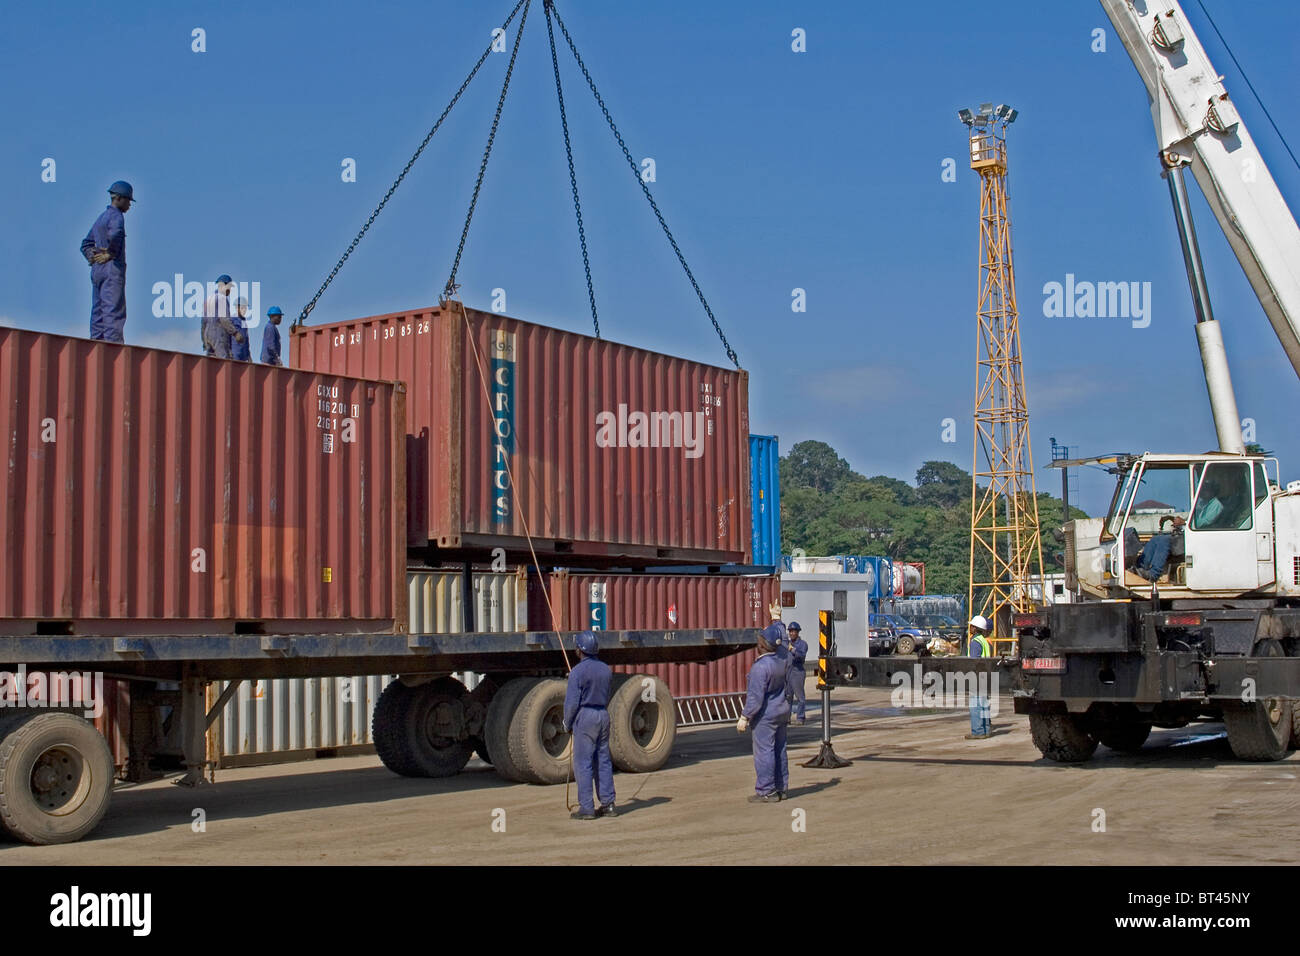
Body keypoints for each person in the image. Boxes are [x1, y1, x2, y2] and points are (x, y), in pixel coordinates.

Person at [562, 631, 616, 821]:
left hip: (585, 717)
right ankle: (608, 805)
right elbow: (608, 693)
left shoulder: (577, 672)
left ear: (580, 650)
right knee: (603, 760)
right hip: (603, 714)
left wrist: (567, 723)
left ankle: (587, 808)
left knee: (583, 763)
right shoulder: (606, 670)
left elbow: (571, 703)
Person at [737, 623, 791, 803]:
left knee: (765, 752)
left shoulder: (760, 668)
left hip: (766, 716)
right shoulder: (782, 658)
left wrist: (745, 717)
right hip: (782, 710)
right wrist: (777, 621)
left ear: (762, 645)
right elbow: (783, 640)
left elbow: (755, 699)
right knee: (780, 750)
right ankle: (781, 788)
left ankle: (767, 791)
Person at [80, 181, 133, 343]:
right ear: (119, 199)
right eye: (128, 200)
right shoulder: (117, 216)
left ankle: (96, 346)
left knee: (98, 311)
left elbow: (85, 244)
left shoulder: (101, 218)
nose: (129, 204)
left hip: (98, 271)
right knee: (113, 311)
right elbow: (116, 233)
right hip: (112, 270)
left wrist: (93, 257)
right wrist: (109, 253)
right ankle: (113, 351)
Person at [202, 275, 244, 359]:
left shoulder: (209, 299)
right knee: (223, 363)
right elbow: (224, 320)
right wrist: (235, 333)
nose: (230, 290)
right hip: (219, 336)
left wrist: (203, 339)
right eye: (229, 287)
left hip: (208, 336)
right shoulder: (222, 299)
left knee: (210, 363)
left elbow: (203, 322)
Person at [965, 615, 993, 740]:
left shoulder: (975, 641)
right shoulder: (984, 640)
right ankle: (986, 730)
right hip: (985, 675)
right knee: (984, 704)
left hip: (977, 676)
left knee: (975, 705)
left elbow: (974, 661)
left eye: (972, 626)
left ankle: (977, 732)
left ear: (975, 628)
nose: (970, 628)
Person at [786, 621, 808, 725]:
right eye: (790, 631)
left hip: (798, 672)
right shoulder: (787, 644)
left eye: (793, 631)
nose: (791, 633)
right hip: (788, 672)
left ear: (798, 632)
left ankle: (800, 717)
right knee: (788, 696)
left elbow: (801, 655)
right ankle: (787, 718)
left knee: (800, 697)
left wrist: (793, 650)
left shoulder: (802, 644)